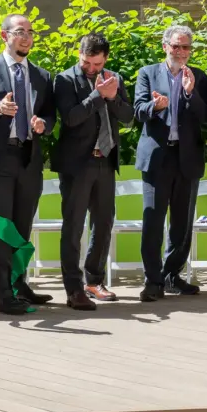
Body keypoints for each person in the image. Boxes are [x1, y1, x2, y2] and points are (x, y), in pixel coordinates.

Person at [0, 13, 56, 315]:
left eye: (31, 32)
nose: (27, 37)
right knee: (1, 230)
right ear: (4, 36)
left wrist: (44, 123)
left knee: (21, 228)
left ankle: (20, 285)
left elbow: (51, 115)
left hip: (28, 160)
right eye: (20, 31)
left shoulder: (42, 76)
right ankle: (4, 294)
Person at [53, 33, 134, 310]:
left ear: (105, 59)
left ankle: (94, 280)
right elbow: (71, 118)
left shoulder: (115, 78)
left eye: (96, 63)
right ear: (79, 54)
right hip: (77, 163)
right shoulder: (64, 80)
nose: (91, 68)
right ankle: (73, 288)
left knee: (103, 223)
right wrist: (98, 96)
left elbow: (128, 117)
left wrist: (112, 98)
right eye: (86, 62)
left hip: (105, 159)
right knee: (73, 225)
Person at [134, 25, 207, 303]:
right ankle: (152, 280)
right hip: (157, 159)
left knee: (182, 223)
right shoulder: (148, 74)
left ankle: (172, 275)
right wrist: (155, 106)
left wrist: (190, 94)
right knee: (153, 220)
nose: (180, 52)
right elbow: (137, 111)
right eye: (175, 46)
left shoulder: (198, 77)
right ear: (165, 46)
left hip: (186, 159)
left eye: (185, 47)